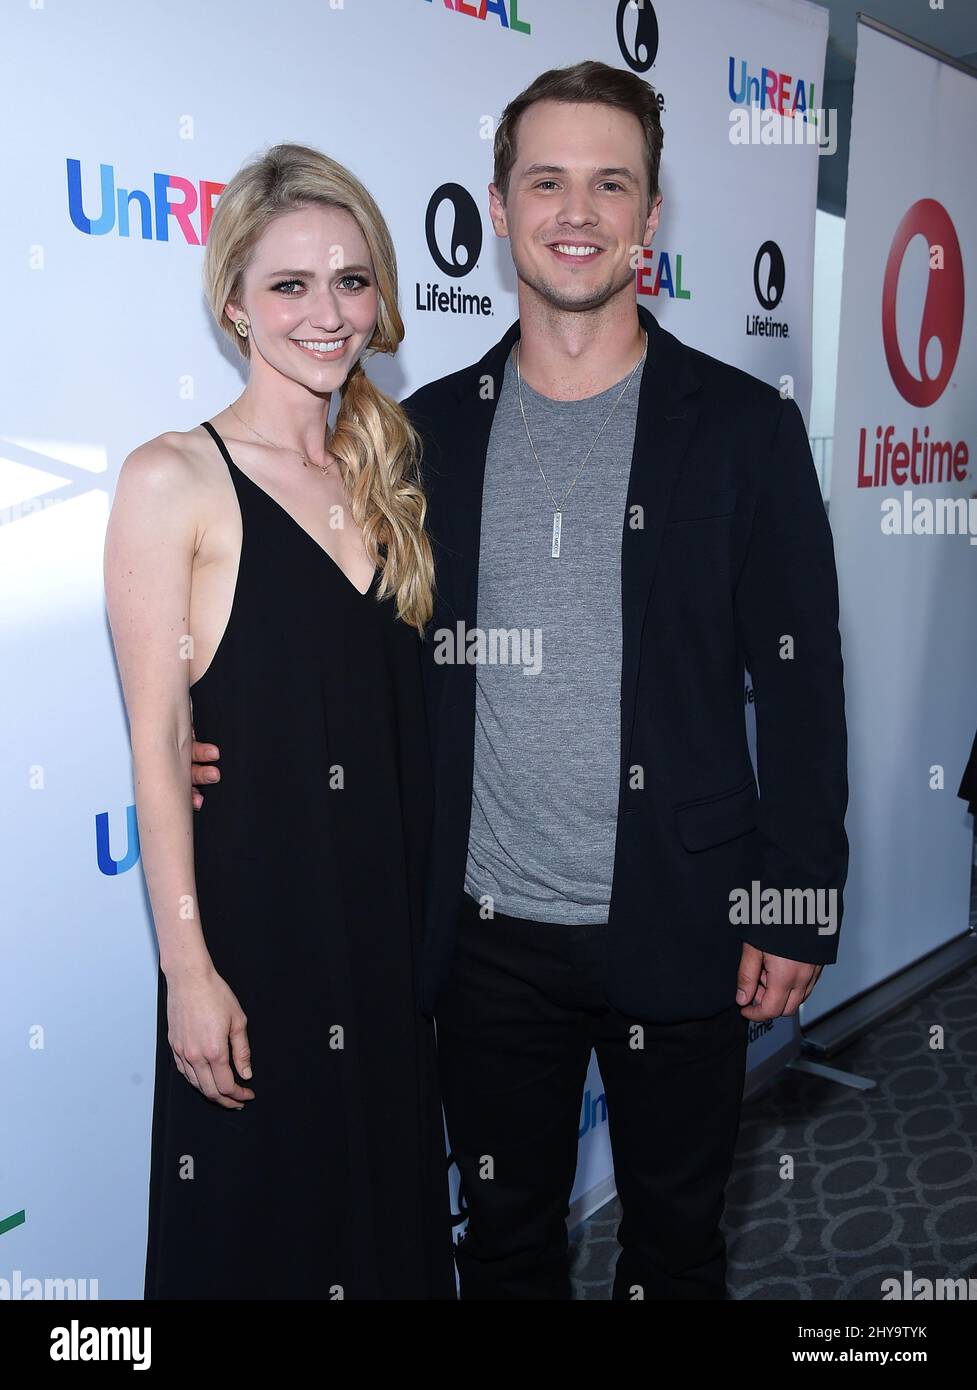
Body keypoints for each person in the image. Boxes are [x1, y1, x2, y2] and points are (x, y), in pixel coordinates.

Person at [192, 62, 849, 1301]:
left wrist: (796, 895)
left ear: (650, 219)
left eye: (611, 183)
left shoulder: (739, 428)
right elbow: (342, 650)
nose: (577, 210)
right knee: (500, 1256)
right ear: (498, 207)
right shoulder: (421, 433)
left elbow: (801, 680)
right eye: (545, 180)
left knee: (673, 1250)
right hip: (485, 941)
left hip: (687, 918)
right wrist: (197, 729)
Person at [104, 143, 455, 1300]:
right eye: (290, 285)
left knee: (383, 1228)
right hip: (259, 934)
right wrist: (187, 970)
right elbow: (159, 746)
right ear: (233, 303)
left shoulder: (393, 470)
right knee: (265, 1238)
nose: (326, 312)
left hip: (388, 940)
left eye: (351, 280)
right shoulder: (174, 477)